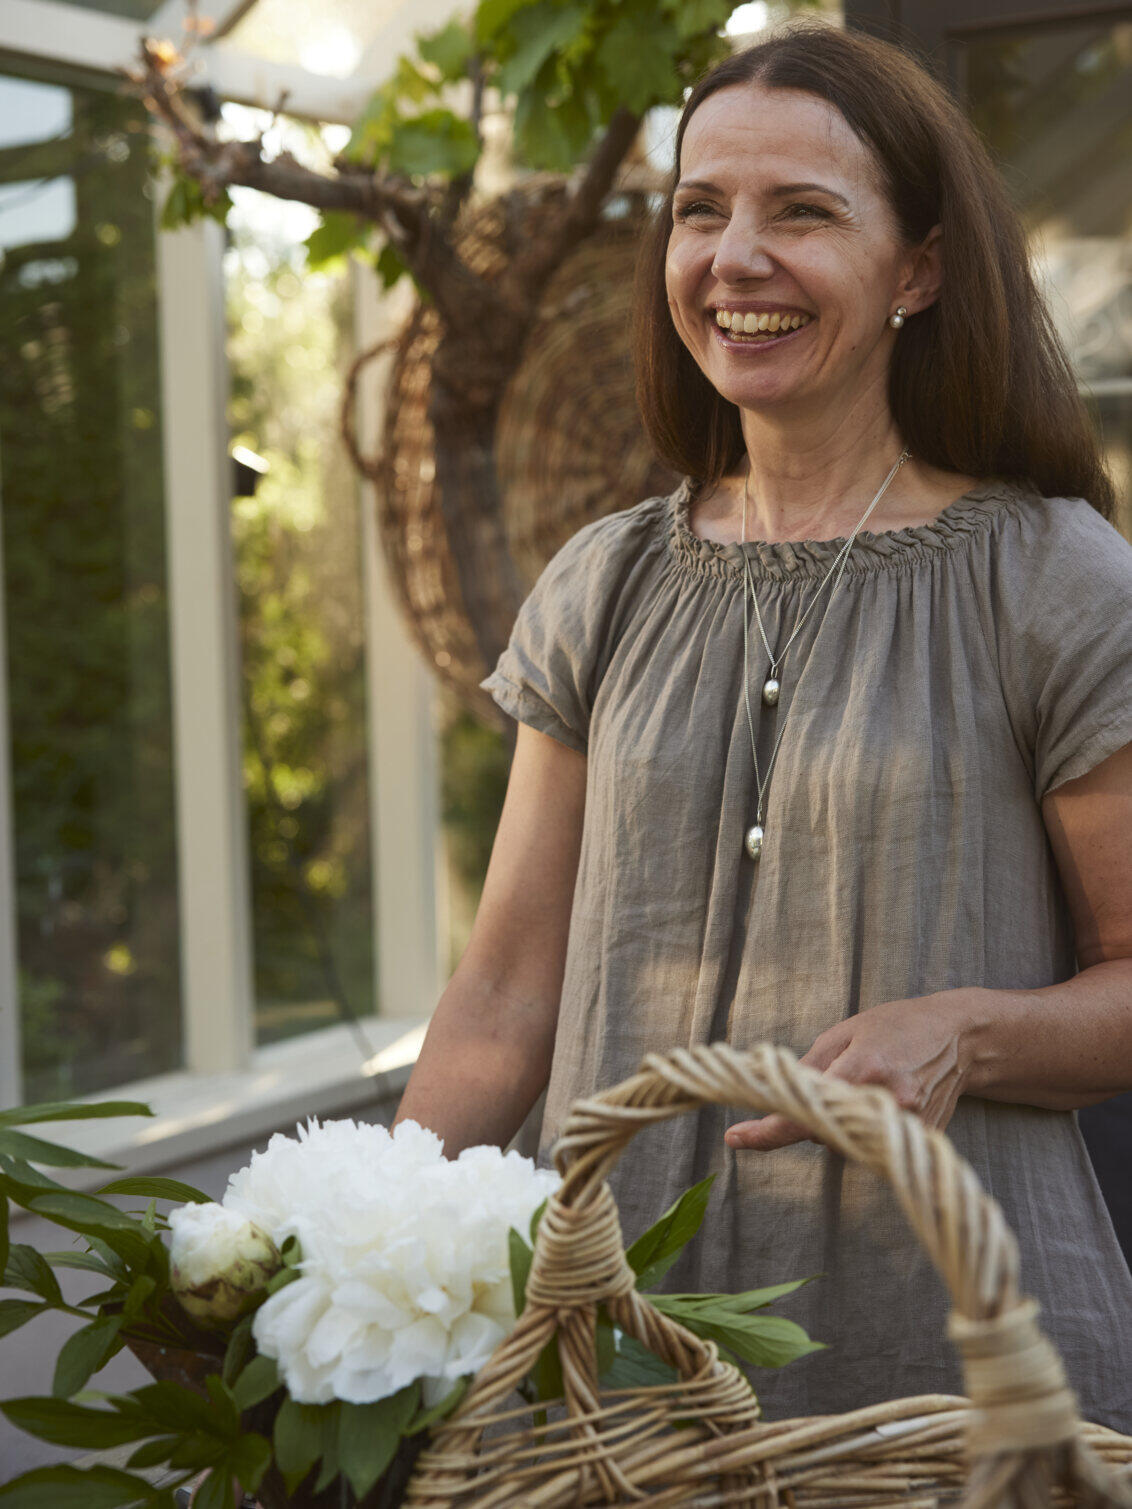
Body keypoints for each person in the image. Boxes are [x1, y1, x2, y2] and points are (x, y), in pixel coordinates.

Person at [394, 21, 1132, 1430]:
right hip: (610, 1382)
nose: (735, 258)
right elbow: (500, 1001)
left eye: (802, 212)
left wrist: (967, 1031)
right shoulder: (603, 580)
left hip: (945, 1391)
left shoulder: (1052, 577)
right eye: (699, 210)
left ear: (918, 266)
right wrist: (325, 1259)